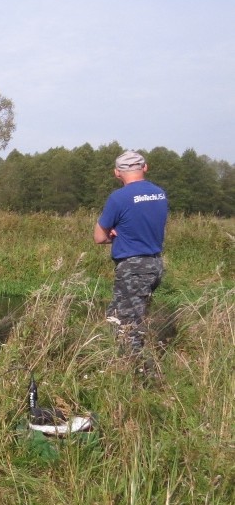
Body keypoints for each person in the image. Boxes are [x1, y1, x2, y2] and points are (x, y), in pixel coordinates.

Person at [94, 150, 168, 357]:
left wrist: (114, 235)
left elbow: (99, 237)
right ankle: (120, 363)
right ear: (145, 167)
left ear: (117, 172)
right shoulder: (159, 193)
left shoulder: (119, 198)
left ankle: (138, 373)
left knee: (127, 324)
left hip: (133, 268)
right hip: (155, 265)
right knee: (121, 316)